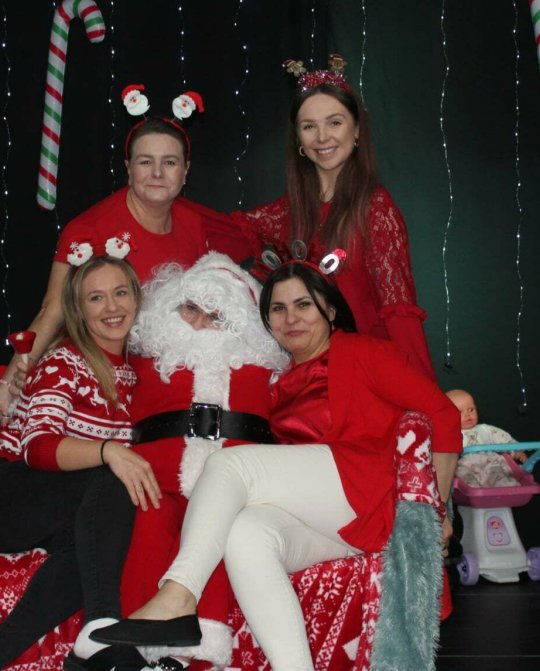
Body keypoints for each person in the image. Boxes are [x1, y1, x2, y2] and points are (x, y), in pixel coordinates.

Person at [90, 261, 461, 671]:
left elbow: (443, 415)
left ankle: (178, 595)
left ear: (330, 309)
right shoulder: (278, 379)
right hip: (332, 520)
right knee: (246, 534)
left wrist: (435, 511)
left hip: (368, 492)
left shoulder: (363, 352)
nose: (291, 318)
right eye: (278, 309)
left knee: (229, 464)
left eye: (303, 304)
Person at [0, 250, 161, 671]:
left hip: (76, 502)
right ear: (78, 310)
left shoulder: (139, 372)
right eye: (96, 298)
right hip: (12, 493)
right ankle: (102, 625)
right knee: (114, 478)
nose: (111, 307)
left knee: (87, 551)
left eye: (120, 293)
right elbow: (37, 447)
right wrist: (109, 451)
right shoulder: (65, 361)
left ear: (137, 299)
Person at [201, 55, 436, 380]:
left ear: (356, 130)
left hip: (366, 375)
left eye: (334, 122)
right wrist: (154, 201)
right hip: (308, 377)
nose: (322, 137)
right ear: (298, 138)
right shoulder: (287, 212)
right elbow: (216, 231)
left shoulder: (375, 208)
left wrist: (423, 392)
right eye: (309, 126)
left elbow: (399, 311)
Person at [0, 102, 211, 416]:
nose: (157, 173)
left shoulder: (194, 224)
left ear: (186, 170)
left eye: (169, 162)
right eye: (145, 162)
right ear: (128, 168)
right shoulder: (89, 229)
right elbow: (53, 310)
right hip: (97, 382)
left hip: (164, 377)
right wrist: (7, 385)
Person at [121, 251, 291, 669]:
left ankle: (196, 653)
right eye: (189, 309)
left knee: (217, 528)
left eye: (215, 316)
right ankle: (136, 646)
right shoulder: (143, 360)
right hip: (156, 478)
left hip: (235, 485)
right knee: (150, 522)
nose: (197, 323)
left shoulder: (267, 370)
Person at [448, 389, 526, 489]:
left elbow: (503, 438)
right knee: (461, 474)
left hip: (490, 463)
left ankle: (509, 489)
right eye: (459, 412)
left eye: (471, 409)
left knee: (501, 472)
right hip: (467, 465)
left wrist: (517, 451)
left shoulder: (485, 429)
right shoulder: (450, 434)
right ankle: (473, 489)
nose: (468, 414)